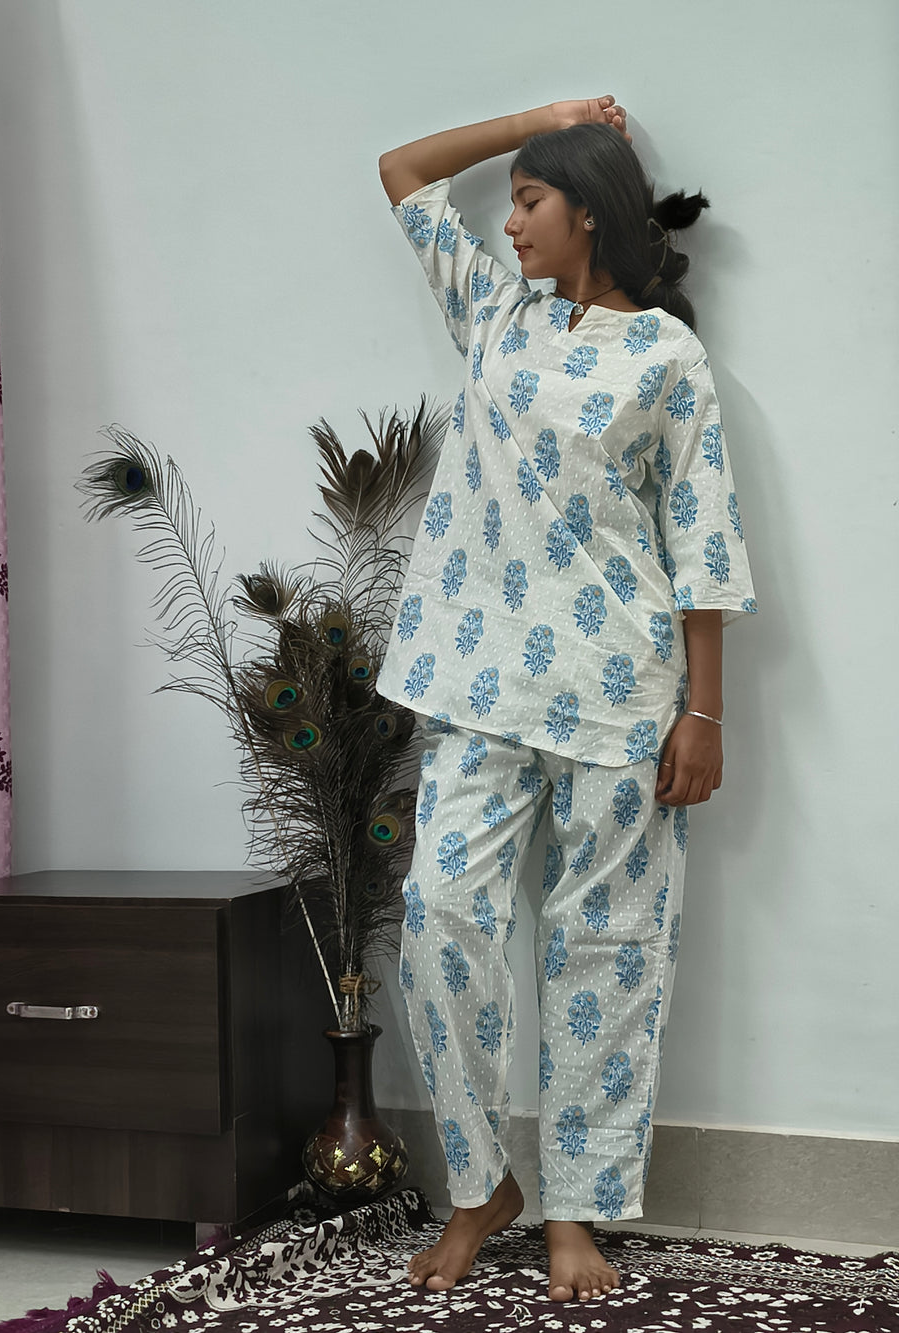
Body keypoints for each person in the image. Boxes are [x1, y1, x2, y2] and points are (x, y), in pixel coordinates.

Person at [374, 97, 757, 1303]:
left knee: (607, 955)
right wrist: (543, 121)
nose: (510, 221)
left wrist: (703, 714)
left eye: (531, 199)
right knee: (439, 915)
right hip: (478, 682)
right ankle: (480, 1183)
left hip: (620, 698)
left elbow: (700, 542)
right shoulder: (496, 312)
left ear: (587, 212)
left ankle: (575, 1213)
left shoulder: (667, 359)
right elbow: (402, 172)